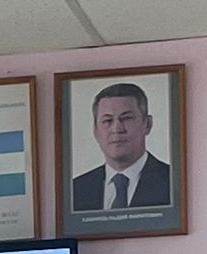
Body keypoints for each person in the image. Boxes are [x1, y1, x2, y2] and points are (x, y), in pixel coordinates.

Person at [72, 82, 171, 212]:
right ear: (95, 130)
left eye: (127, 118)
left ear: (147, 124)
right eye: (107, 121)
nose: (117, 129)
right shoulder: (75, 190)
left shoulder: (174, 181)